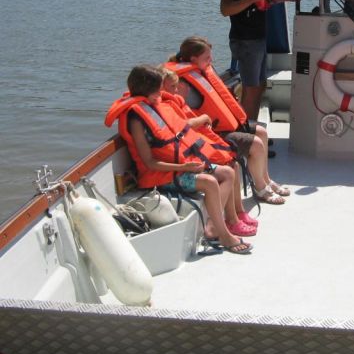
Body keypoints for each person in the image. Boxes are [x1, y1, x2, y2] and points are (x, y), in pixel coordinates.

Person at [105, 65, 252, 254]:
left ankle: (212, 225)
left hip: (181, 166)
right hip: (160, 175)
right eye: (158, 90)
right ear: (146, 91)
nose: (160, 94)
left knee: (228, 173)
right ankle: (223, 234)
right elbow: (150, 163)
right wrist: (186, 167)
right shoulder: (136, 120)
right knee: (209, 182)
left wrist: (188, 164)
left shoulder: (154, 107)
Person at [164, 36, 290, 205]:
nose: (211, 60)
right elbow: (182, 119)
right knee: (256, 144)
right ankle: (260, 189)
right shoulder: (182, 85)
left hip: (226, 125)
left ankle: (266, 180)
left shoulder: (201, 72)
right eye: (207, 58)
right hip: (212, 134)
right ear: (193, 59)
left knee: (262, 132)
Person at [161, 68, 259, 229]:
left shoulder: (172, 102)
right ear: (160, 87)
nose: (177, 90)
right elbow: (183, 126)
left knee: (232, 164)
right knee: (229, 168)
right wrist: (204, 118)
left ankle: (238, 212)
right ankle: (230, 220)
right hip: (175, 168)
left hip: (190, 152)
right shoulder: (163, 106)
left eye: (177, 86)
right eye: (172, 86)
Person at [220, 0, 300, 121]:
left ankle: (252, 126)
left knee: (260, 86)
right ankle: (246, 132)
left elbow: (266, 0)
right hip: (244, 40)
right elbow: (225, 9)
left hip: (258, 38)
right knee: (251, 88)